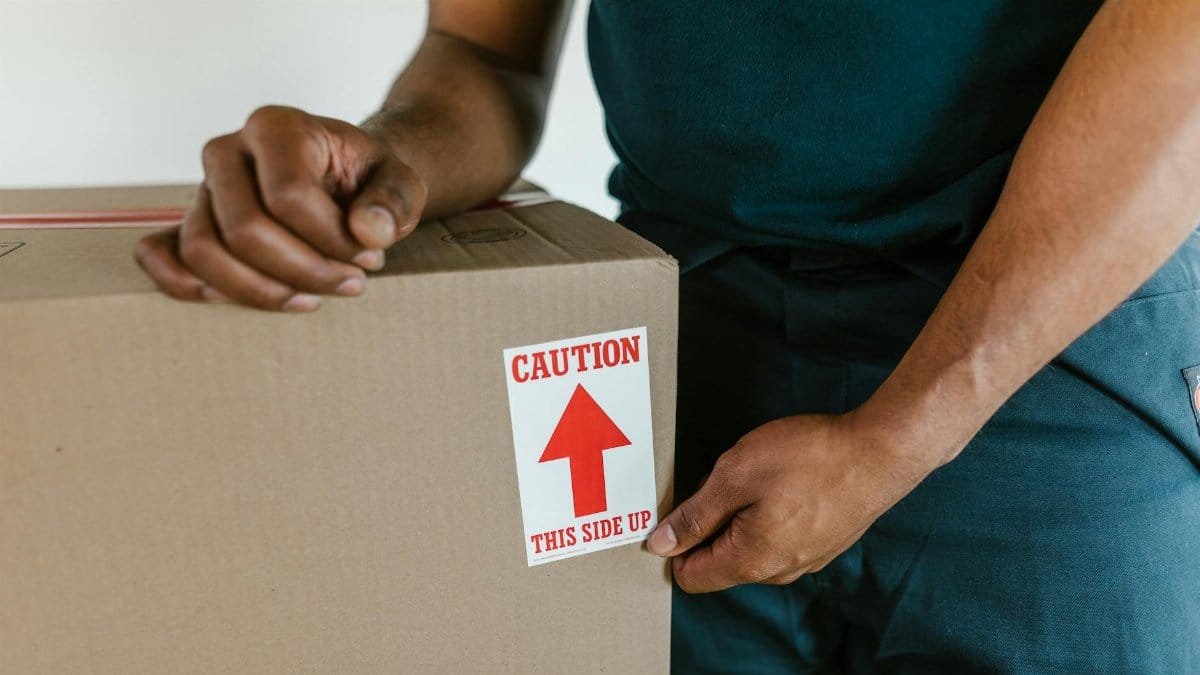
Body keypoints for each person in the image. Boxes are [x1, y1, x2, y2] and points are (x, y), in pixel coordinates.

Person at [135, 1, 1200, 672]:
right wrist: (390, 156)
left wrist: (904, 431)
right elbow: (479, 46)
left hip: (1039, 355)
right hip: (681, 343)